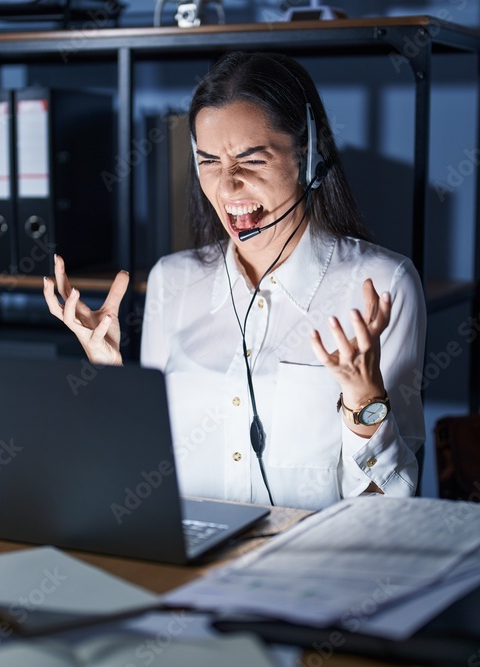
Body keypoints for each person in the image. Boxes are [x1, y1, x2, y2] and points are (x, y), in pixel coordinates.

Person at [44, 51, 425, 510]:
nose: (227, 188)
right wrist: (110, 375)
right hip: (191, 564)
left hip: (313, 567)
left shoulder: (383, 285)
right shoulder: (172, 280)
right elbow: (148, 480)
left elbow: (386, 509)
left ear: (308, 156)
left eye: (252, 160)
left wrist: (365, 401)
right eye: (208, 162)